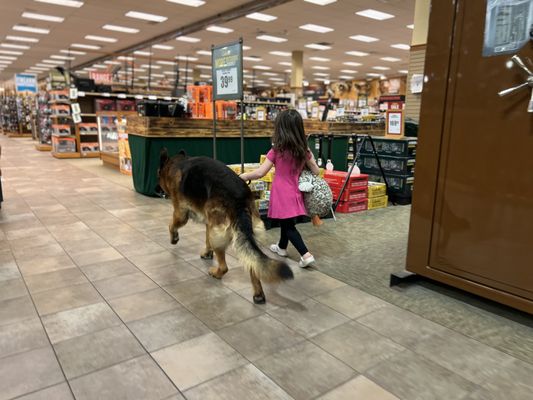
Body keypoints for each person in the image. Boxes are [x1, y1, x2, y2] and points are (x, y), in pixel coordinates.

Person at [240, 109, 320, 268]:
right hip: (295, 192)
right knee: (286, 222)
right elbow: (317, 171)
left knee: (288, 226)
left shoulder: (277, 150)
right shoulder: (304, 151)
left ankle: (306, 255)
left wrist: (243, 177)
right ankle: (282, 247)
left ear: (280, 128)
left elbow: (261, 172)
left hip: (281, 193)